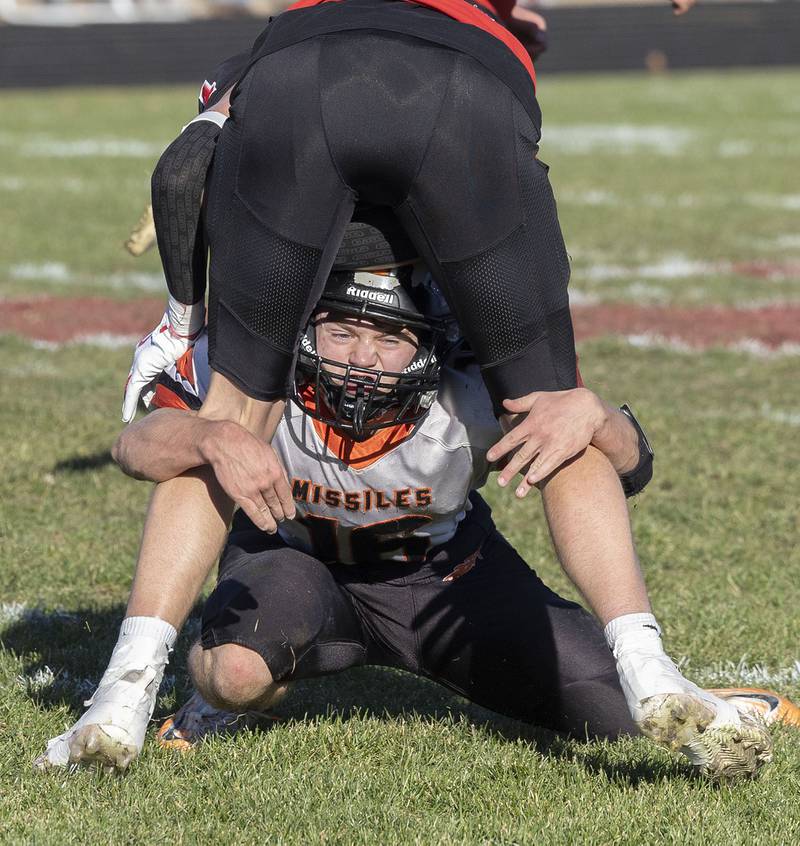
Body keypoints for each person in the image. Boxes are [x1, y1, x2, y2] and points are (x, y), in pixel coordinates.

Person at [37, 266, 773, 780]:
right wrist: (210, 437)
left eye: (390, 339)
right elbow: (134, 448)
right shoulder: (258, 377)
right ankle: (191, 695)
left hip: (446, 583)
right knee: (234, 670)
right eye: (342, 332)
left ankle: (658, 670)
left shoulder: (472, 386)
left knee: (611, 713)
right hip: (294, 563)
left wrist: (596, 416)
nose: (363, 359)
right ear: (305, 328)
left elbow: (632, 466)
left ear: (430, 345)